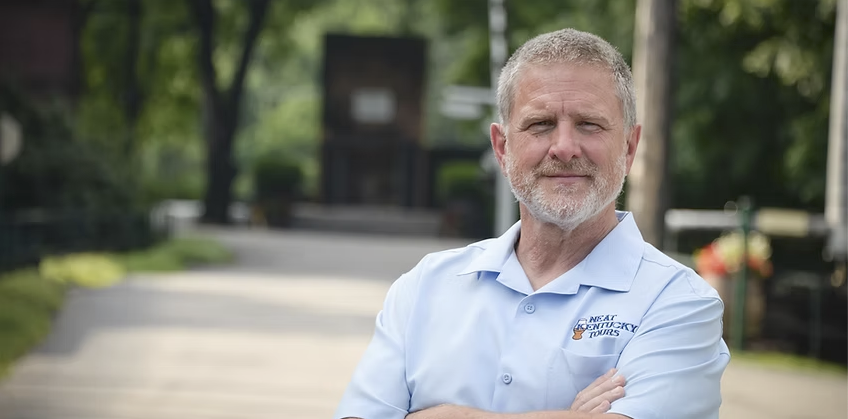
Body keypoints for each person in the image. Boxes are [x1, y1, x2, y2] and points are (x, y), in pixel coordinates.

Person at [334, 28, 729, 419]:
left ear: (629, 147)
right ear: (502, 148)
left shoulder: (679, 303)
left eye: (589, 124)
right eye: (540, 124)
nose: (564, 148)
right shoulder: (424, 288)